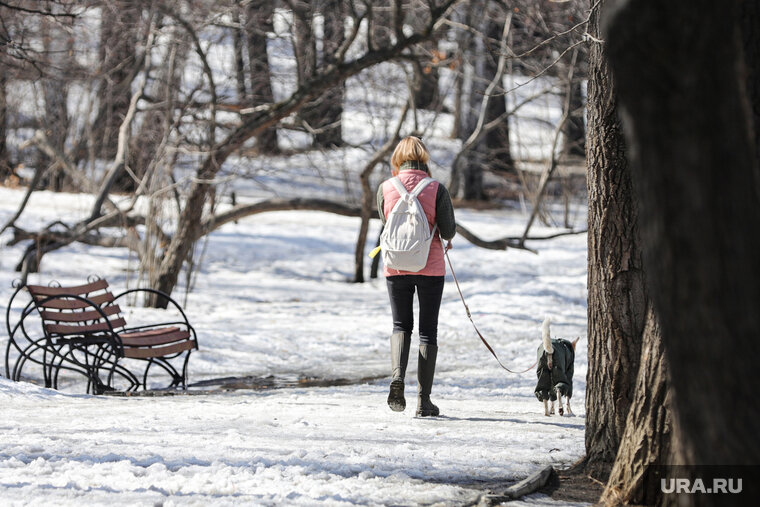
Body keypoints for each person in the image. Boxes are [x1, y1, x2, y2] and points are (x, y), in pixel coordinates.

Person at [376, 136, 456, 417]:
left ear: (398, 159)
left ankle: (398, 375)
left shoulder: (386, 187)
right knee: (427, 330)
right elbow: (447, 231)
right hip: (430, 267)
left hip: (396, 266)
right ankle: (424, 401)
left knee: (401, 326)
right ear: (424, 159)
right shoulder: (436, 188)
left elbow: (386, 224)